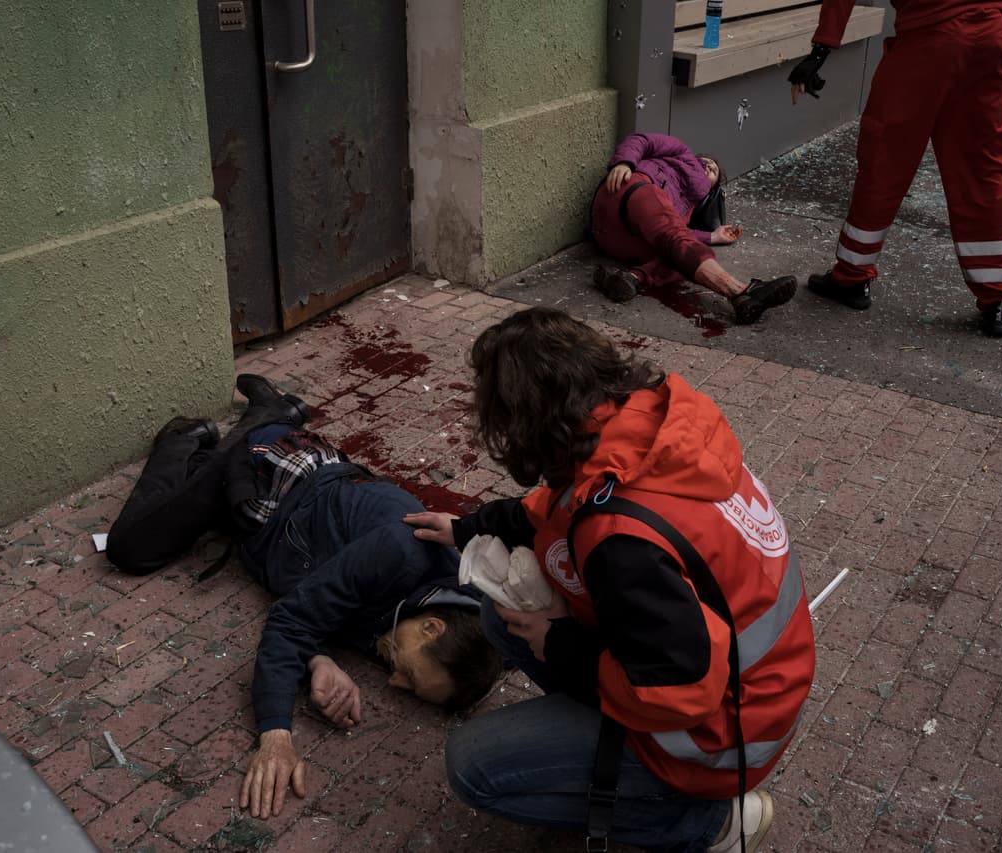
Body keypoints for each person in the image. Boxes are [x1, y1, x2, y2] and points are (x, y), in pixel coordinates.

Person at [405, 308, 815, 853]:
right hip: (755, 682)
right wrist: (466, 529)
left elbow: (677, 691)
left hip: (721, 738)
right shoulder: (645, 428)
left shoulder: (621, 540)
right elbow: (553, 509)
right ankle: (604, 740)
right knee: (498, 617)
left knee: (473, 767)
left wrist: (559, 644)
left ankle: (708, 823)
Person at [105, 374, 502, 818]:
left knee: (188, 507)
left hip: (274, 526)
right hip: (273, 472)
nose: (393, 682)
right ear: (432, 627)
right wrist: (275, 735)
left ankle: (270, 416)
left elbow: (328, 609)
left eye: (407, 685)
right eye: (407, 672)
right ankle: (196, 434)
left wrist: (318, 660)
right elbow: (291, 622)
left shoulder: (455, 622)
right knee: (131, 547)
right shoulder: (399, 553)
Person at [788, 0, 1002, 337]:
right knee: (983, 167)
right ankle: (996, 297)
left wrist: (821, 49)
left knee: (885, 158)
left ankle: (852, 276)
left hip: (929, 36)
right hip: (989, 32)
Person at [589, 132, 797, 326]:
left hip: (615, 240)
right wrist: (625, 162)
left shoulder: (686, 211)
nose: (710, 166)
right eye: (707, 162)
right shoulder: (681, 152)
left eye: (714, 172)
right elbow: (641, 139)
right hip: (624, 192)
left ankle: (629, 278)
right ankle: (741, 292)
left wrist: (713, 236)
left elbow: (675, 233)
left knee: (681, 258)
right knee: (679, 243)